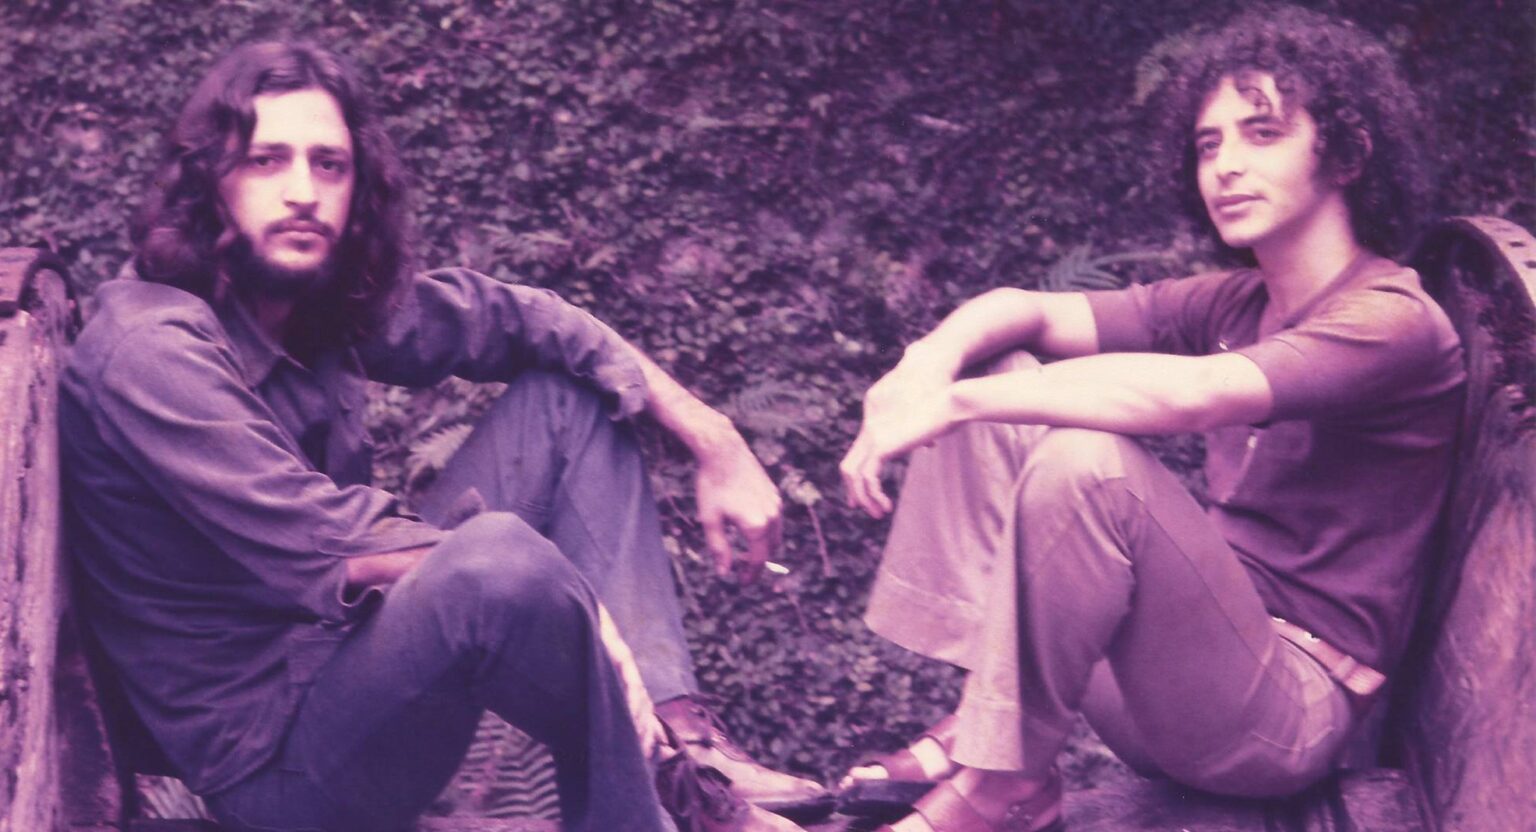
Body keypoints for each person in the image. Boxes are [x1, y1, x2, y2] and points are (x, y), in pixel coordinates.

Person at [60, 40, 827, 832]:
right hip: (282, 768)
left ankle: (683, 753)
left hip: (355, 660)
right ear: (209, 181)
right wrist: (586, 618)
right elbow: (328, 543)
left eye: (330, 165)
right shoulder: (151, 351)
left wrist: (716, 438)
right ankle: (668, 813)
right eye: (266, 161)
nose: (303, 192)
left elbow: (528, 321)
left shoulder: (309, 304)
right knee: (495, 558)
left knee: (568, 409)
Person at [833, 8, 1463, 832]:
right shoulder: (1237, 301)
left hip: (1284, 714)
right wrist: (928, 364)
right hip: (1177, 672)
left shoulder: (1390, 319)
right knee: (995, 366)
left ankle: (996, 789)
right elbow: (1025, 310)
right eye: (1208, 144)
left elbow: (1194, 394)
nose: (1226, 166)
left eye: (1262, 133)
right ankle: (985, 730)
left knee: (1087, 467)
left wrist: (952, 403)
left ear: (1346, 154)